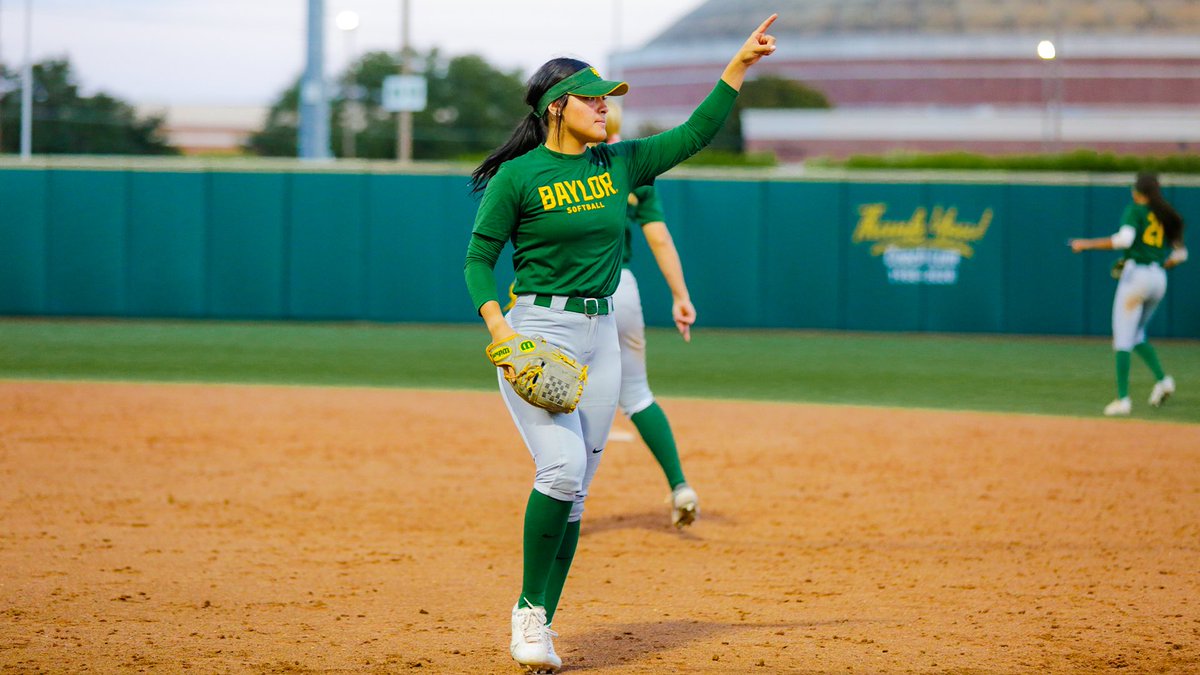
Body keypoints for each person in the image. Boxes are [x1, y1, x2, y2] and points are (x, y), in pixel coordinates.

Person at [463, 15, 778, 673]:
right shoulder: (517, 178)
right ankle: (526, 613)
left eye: (609, 96)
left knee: (577, 492)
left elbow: (696, 132)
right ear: (557, 108)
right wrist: (500, 330)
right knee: (560, 468)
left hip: (602, 333)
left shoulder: (621, 162)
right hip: (536, 332)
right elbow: (477, 259)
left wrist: (738, 67)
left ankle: (543, 621)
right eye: (593, 96)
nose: (606, 105)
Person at [604, 101, 700, 529]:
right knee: (637, 394)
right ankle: (680, 484)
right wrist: (680, 295)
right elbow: (658, 239)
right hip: (622, 286)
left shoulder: (555, 162)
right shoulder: (635, 166)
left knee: (560, 392)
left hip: (568, 292)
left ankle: (564, 501)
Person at [1069, 172, 1187, 416]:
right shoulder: (1165, 214)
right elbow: (1180, 255)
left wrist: (1085, 244)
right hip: (1158, 278)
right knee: (1136, 334)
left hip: (1137, 277)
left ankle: (1123, 399)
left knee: (1122, 337)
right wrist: (1158, 264)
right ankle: (1163, 380)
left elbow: (1124, 240)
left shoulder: (1136, 210)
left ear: (1137, 191)